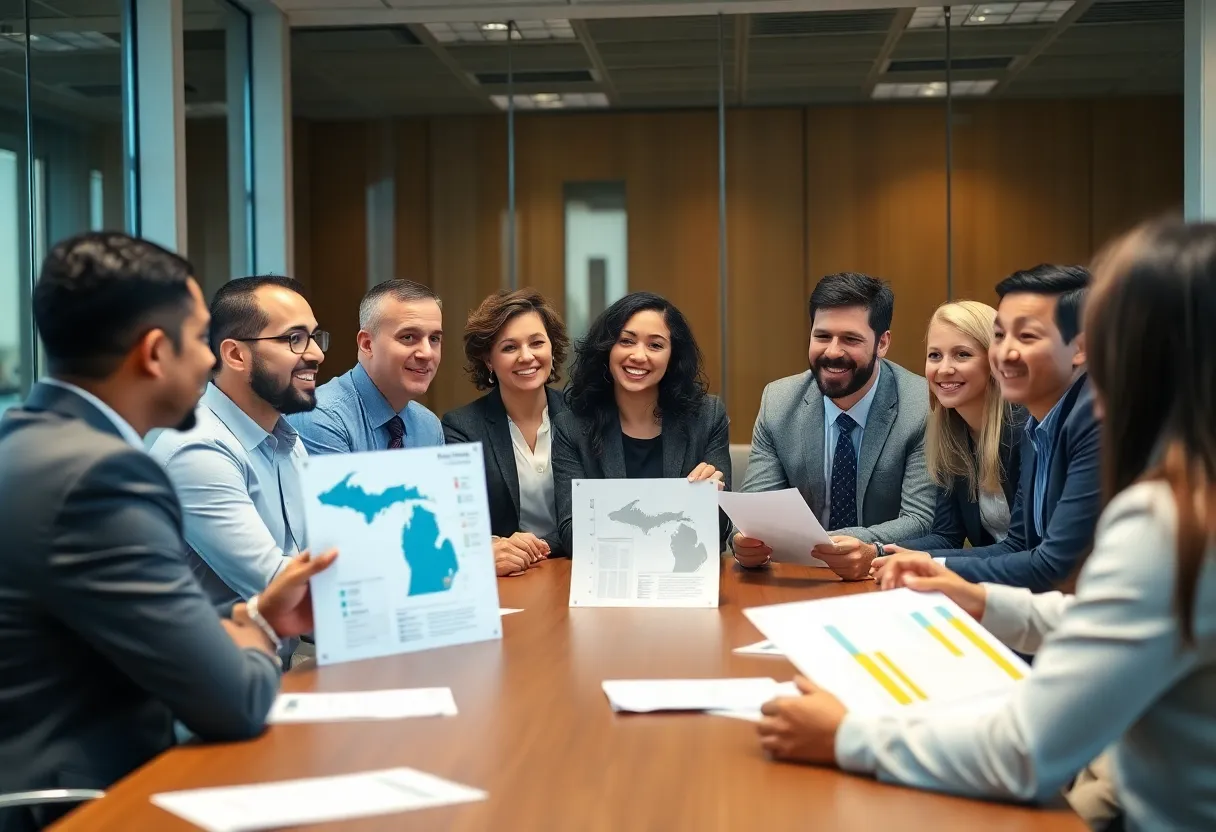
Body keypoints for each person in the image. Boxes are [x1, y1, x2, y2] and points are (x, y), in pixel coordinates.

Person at [754, 217, 1216, 832]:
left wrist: (847, 735)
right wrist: (978, 599)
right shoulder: (1185, 492)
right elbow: (1117, 614)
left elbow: (1025, 753)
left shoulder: (1167, 521)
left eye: (1100, 333)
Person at [0, 233, 334, 832]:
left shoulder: (28, 442)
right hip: (92, 800)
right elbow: (232, 700)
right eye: (198, 340)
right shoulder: (104, 476)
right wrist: (254, 632)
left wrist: (250, 624)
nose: (209, 361)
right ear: (156, 353)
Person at [875, 265, 1099, 592]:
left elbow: (1045, 561)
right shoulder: (1035, 424)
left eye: (1027, 336)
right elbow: (968, 537)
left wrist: (932, 567)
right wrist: (888, 555)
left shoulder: (1072, 422)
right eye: (1000, 336)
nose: (1006, 352)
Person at [150, 276, 328, 664]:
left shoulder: (286, 441)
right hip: (210, 696)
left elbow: (317, 567)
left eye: (315, 337)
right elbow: (281, 589)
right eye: (295, 338)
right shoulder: (197, 449)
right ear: (234, 355)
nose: (316, 354)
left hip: (272, 672)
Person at [733, 272, 934, 580]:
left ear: (883, 343)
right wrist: (744, 543)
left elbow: (921, 519)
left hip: (882, 577)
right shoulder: (779, 401)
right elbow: (755, 510)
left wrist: (828, 543)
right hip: (796, 581)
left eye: (850, 339)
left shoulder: (921, 405)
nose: (832, 352)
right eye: (822, 336)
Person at [551, 292, 730, 556]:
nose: (638, 356)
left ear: (672, 357)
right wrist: (683, 511)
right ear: (607, 349)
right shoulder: (572, 427)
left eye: (655, 346)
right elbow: (572, 535)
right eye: (626, 341)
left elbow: (720, 529)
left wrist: (711, 503)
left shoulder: (706, 417)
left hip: (682, 578)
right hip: (610, 579)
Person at [442, 289, 571, 575]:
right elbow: (456, 518)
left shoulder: (583, 418)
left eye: (537, 343)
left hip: (572, 569)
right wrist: (491, 548)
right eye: (510, 347)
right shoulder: (462, 428)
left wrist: (538, 548)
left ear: (552, 348)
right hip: (507, 575)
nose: (527, 357)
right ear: (488, 360)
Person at [893, 301, 1025, 552]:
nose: (944, 369)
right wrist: (879, 552)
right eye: (935, 355)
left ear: (994, 361)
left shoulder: (1025, 430)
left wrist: (928, 562)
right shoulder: (952, 437)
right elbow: (946, 537)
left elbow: (1023, 547)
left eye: (962, 354)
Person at [289, 279, 444, 454]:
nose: (427, 353)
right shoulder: (319, 415)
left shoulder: (429, 427)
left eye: (434, 339)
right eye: (408, 337)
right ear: (367, 344)